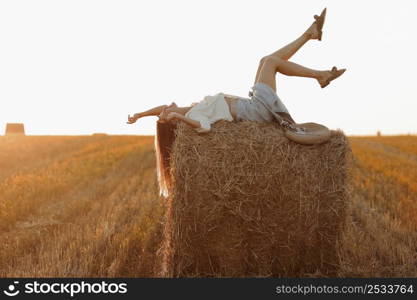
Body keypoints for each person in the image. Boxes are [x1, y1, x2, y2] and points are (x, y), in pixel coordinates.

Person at [127, 8, 346, 196]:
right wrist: (177, 116)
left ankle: (309, 35)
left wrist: (139, 115)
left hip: (249, 103)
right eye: (168, 112)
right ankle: (320, 74)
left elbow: (161, 111)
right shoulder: (194, 116)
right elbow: (203, 128)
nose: (169, 105)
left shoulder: (192, 109)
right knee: (270, 62)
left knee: (265, 60)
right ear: (174, 120)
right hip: (255, 111)